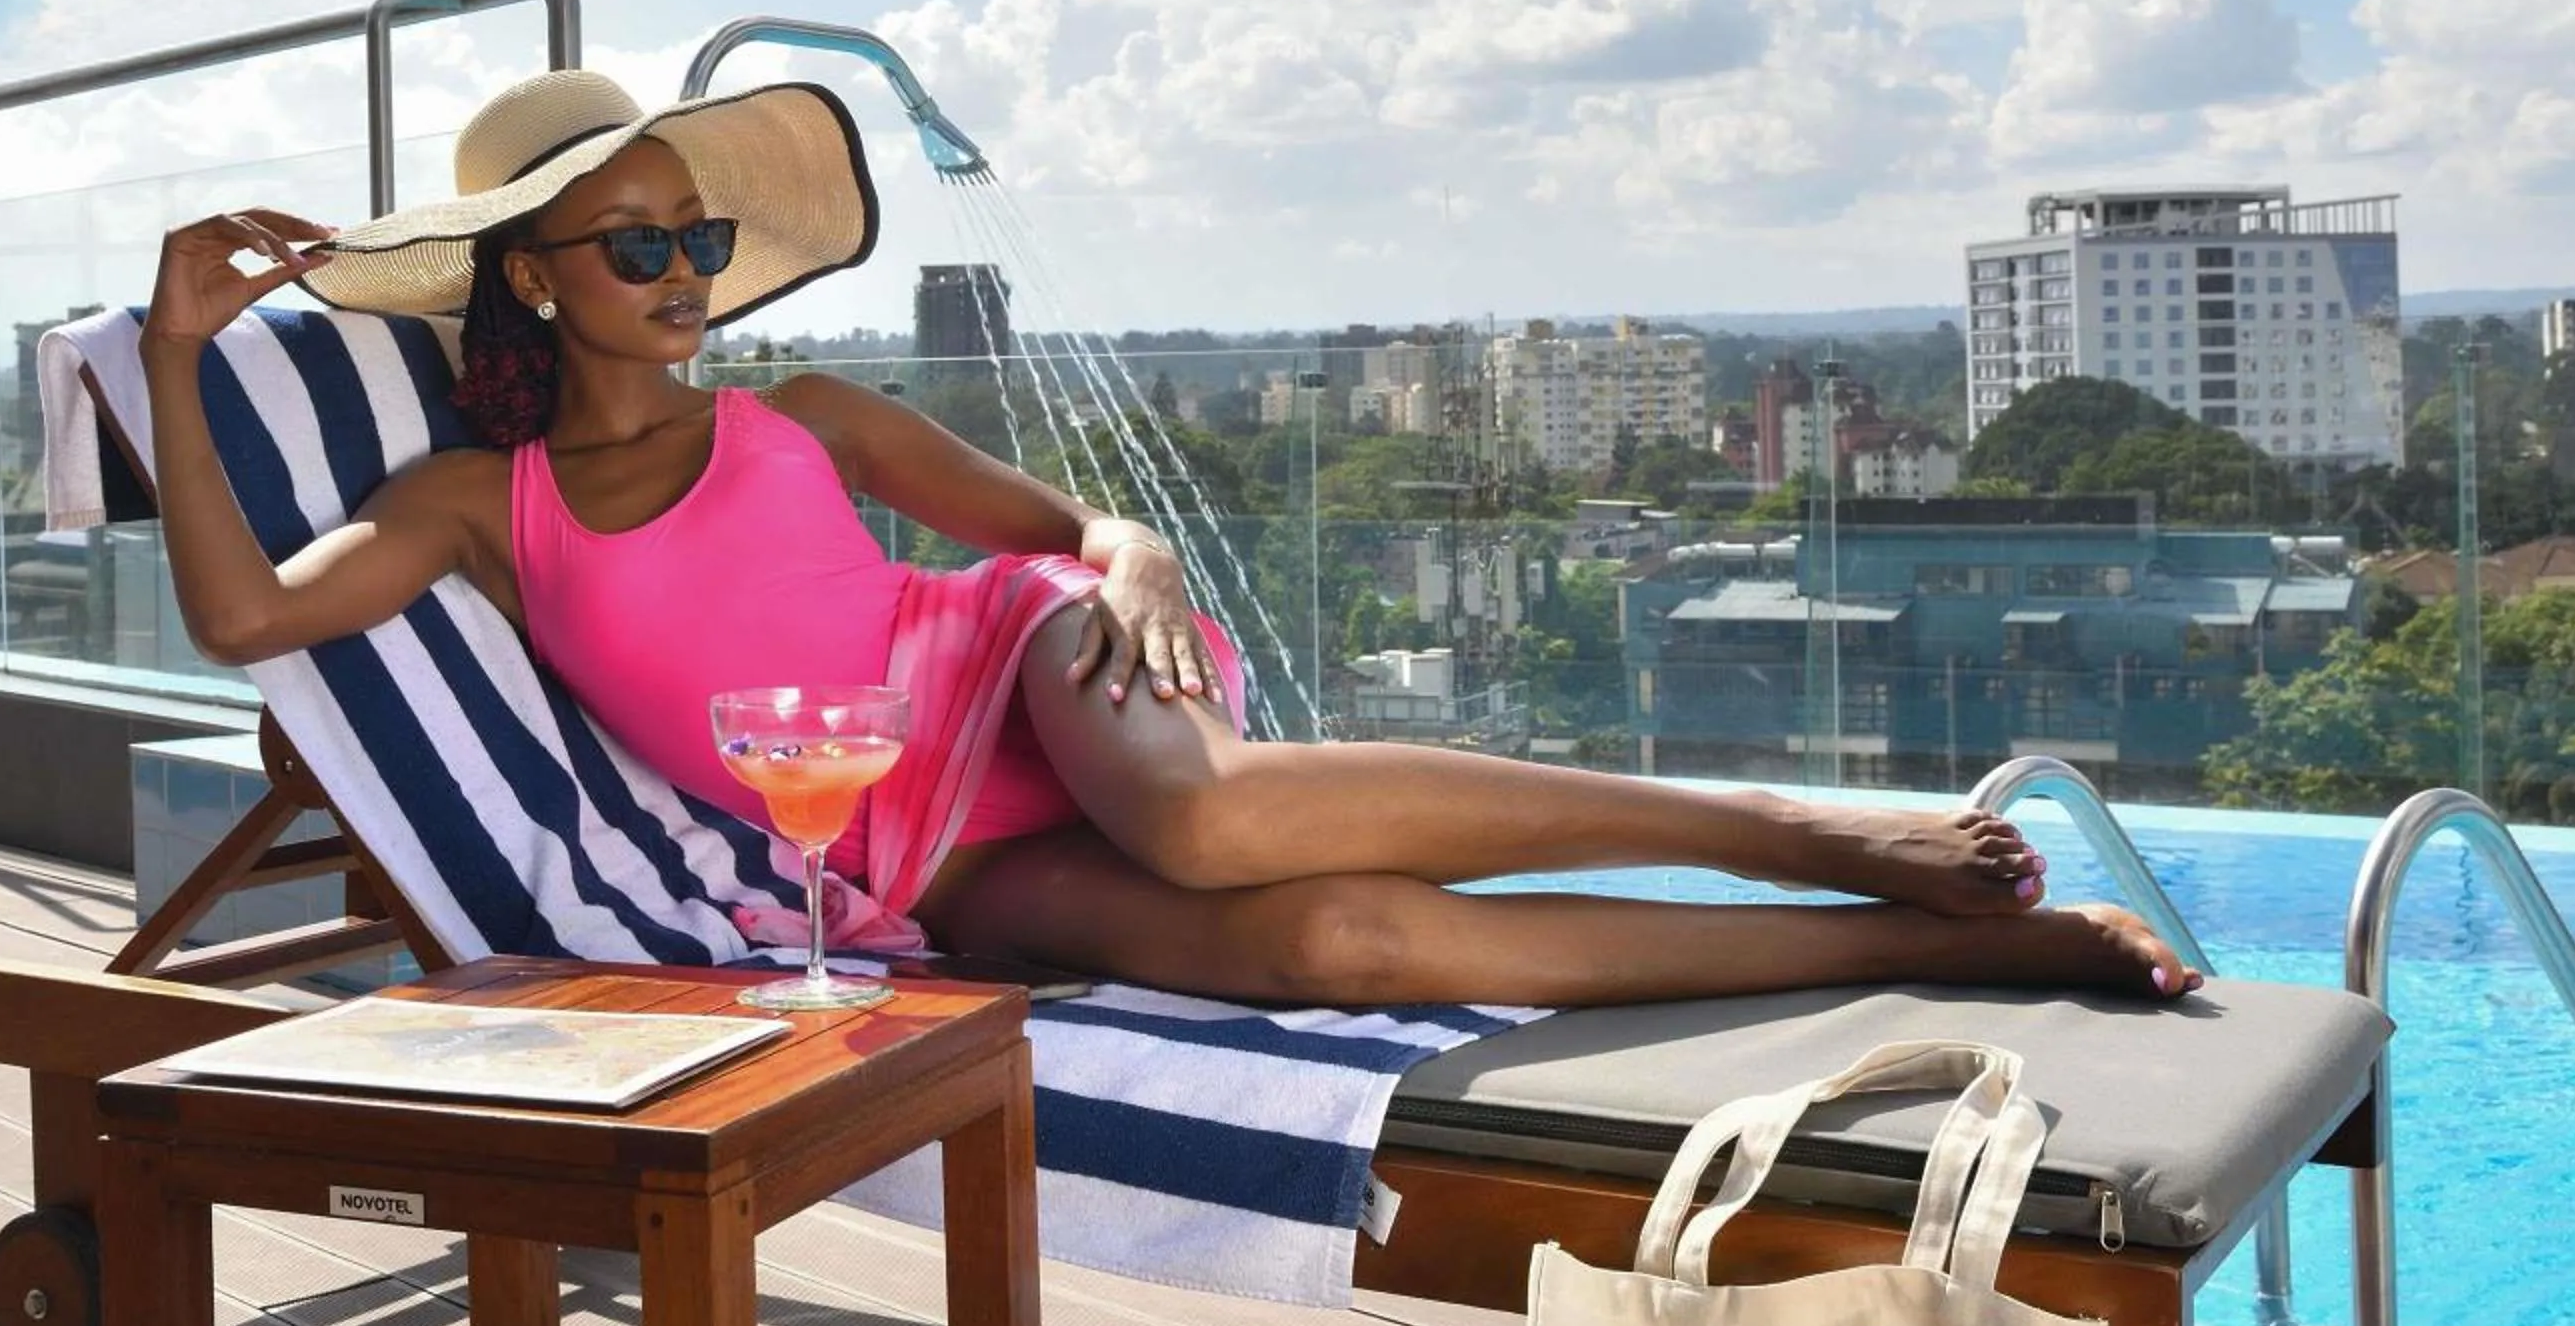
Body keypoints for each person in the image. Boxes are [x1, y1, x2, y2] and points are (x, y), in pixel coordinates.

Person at [136, 68, 2199, 1010]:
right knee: (1335, 945)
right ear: (530, 276)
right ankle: (1936, 953)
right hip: (905, 845)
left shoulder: (807, 416)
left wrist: (1128, 568)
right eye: (639, 239)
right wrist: (172, 351)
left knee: (1209, 828)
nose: (686, 269)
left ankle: (1796, 827)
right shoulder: (468, 512)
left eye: (698, 234)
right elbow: (242, 618)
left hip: (1021, 666)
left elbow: (1080, 528)